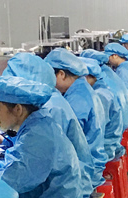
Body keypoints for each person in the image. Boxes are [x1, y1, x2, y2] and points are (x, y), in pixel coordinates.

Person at [5, 52, 97, 198]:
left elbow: (26, 172)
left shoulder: (50, 109)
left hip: (62, 194)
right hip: (68, 182)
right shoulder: (49, 101)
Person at [47, 48, 110, 190]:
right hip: (92, 162)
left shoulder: (77, 99)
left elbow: (65, 140)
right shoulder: (82, 90)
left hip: (85, 171)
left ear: (61, 74)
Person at [83, 49, 128, 158]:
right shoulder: (106, 76)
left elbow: (97, 130)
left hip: (108, 146)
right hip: (120, 127)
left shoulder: (101, 94)